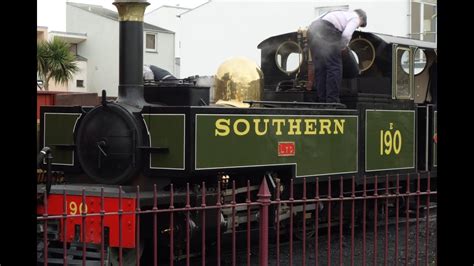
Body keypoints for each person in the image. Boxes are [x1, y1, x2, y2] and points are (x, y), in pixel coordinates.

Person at [307, 9, 367, 103]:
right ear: (361, 18)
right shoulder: (355, 17)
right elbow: (347, 34)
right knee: (334, 66)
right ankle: (332, 101)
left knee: (320, 68)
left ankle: (321, 100)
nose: (357, 26)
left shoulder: (336, 12)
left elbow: (314, 22)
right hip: (327, 31)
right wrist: (342, 46)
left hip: (313, 31)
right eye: (359, 26)